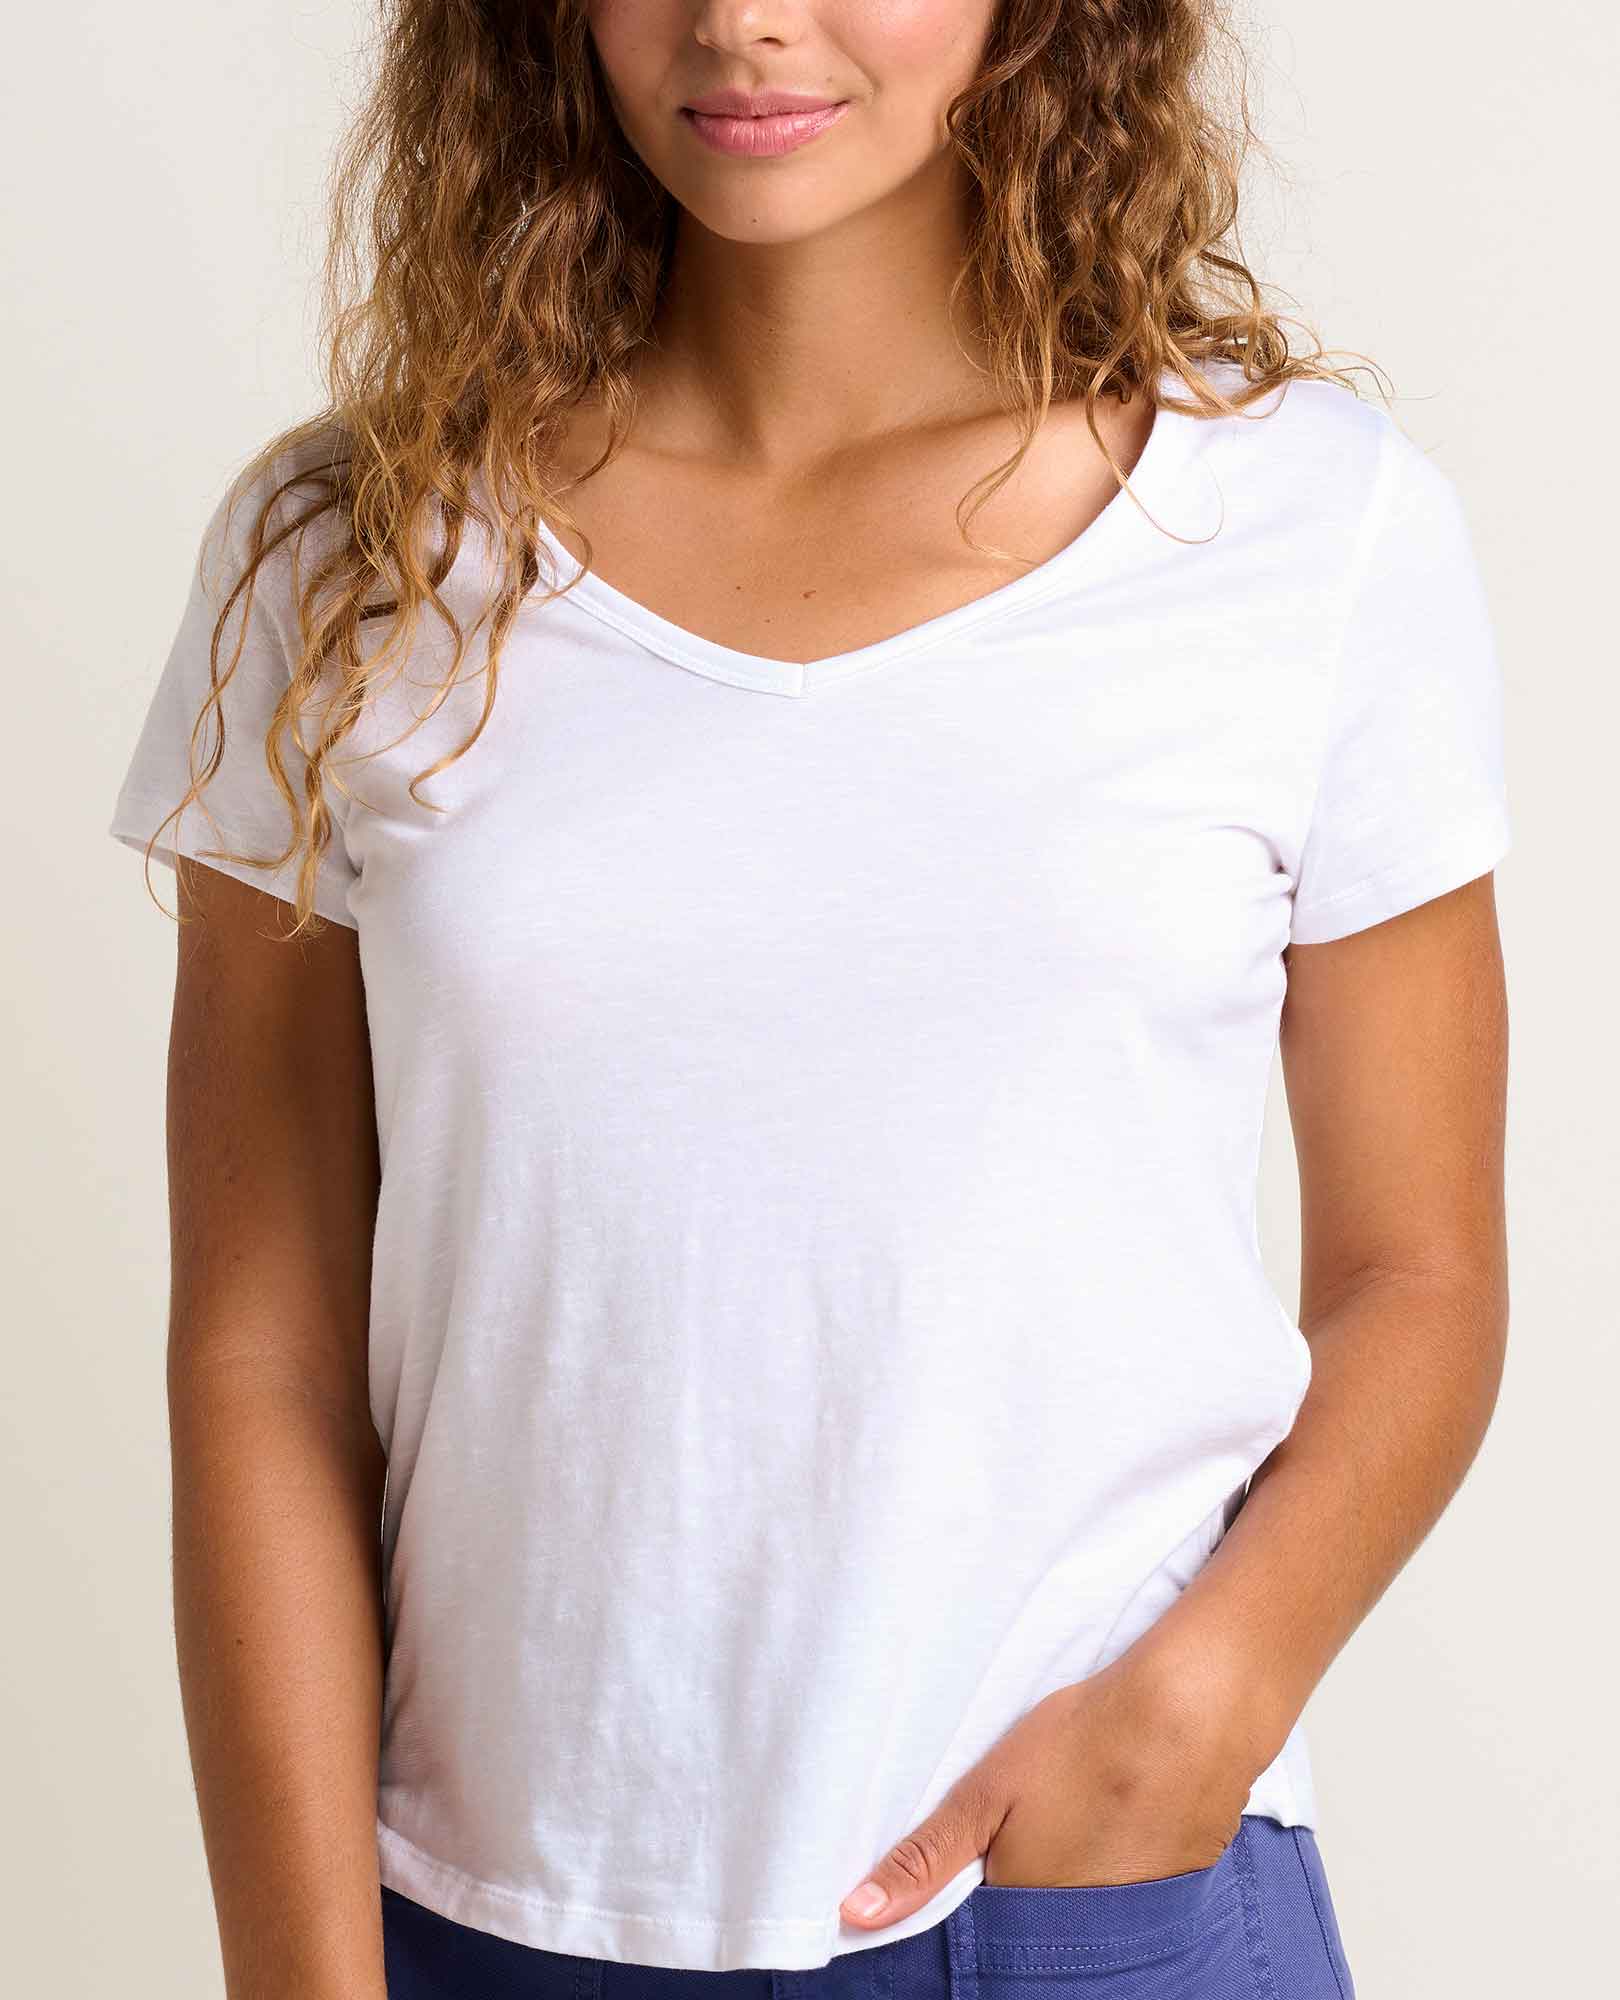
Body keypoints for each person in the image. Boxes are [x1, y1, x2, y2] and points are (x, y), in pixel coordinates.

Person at [105, 4, 1512, 1998]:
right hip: (488, 1923)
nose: (744, 20)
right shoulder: (352, 556)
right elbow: (264, 1355)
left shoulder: (1306, 530)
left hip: (1090, 1904)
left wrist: (1201, 1704)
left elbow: (1418, 1272)